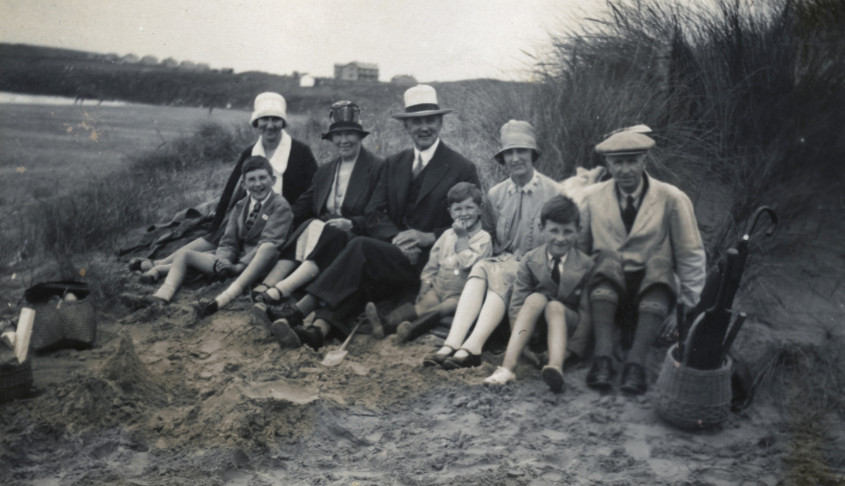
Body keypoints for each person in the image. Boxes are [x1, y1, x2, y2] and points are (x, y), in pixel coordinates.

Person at [253, 84, 479, 350]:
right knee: (359, 267)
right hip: (394, 254)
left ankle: (298, 311)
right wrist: (396, 240)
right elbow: (374, 212)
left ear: (440, 123)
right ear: (406, 127)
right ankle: (315, 332)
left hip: (432, 262)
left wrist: (428, 236)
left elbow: (472, 224)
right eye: (416, 122)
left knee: (359, 247)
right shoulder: (395, 163)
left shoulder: (461, 167)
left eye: (430, 120)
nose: (423, 128)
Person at [129, 92, 317, 282]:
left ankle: (163, 269)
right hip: (249, 214)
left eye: (275, 119)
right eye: (264, 119)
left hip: (282, 219)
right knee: (217, 235)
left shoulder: (301, 152)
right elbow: (230, 191)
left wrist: (289, 216)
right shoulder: (249, 153)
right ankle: (160, 262)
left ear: (283, 122)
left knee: (241, 248)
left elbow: (312, 192)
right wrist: (217, 224)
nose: (269, 125)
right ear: (256, 123)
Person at [424, 120, 566, 369]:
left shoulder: (554, 192)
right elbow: (488, 232)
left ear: (532, 154)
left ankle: (473, 347)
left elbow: (563, 240)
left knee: (505, 271)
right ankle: (451, 343)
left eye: (521, 151)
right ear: (503, 159)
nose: (515, 158)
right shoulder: (496, 194)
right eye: (509, 153)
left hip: (538, 269)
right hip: (503, 263)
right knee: (483, 268)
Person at [580, 127, 706, 395]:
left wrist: (683, 307)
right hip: (607, 292)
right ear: (608, 164)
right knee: (605, 259)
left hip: (652, 295)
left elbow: (690, 254)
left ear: (644, 161)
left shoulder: (672, 198)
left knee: (661, 265)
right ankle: (602, 359)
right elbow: (580, 252)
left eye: (632, 161)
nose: (625, 170)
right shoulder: (591, 198)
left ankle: (635, 364)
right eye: (618, 162)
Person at [250, 100, 384, 305]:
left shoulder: (377, 168)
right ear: (331, 139)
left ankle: (282, 290)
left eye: (349, 134)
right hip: (325, 233)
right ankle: (269, 283)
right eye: (338, 135)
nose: (343, 140)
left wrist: (353, 223)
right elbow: (304, 204)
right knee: (307, 224)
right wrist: (275, 218)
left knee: (330, 232)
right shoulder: (325, 171)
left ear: (360, 137)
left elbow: (381, 213)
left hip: (356, 239)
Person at [121, 156, 293, 312]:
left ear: (273, 180)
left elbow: (270, 242)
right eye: (252, 180)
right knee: (184, 254)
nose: (258, 184)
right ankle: (161, 296)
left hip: (259, 265)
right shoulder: (241, 205)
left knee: (267, 247)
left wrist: (237, 266)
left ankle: (161, 271)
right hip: (233, 260)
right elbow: (228, 241)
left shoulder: (280, 206)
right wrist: (223, 260)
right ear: (244, 185)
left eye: (263, 178)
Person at [483, 195, 595, 393]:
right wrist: (525, 348)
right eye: (554, 231)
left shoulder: (586, 265)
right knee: (535, 298)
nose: (560, 238)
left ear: (577, 232)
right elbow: (517, 305)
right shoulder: (530, 260)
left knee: (555, 307)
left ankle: (556, 366)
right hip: (535, 334)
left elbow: (586, 315)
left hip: (567, 331)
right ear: (542, 230)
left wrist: (571, 351)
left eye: (567, 231)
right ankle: (508, 367)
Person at [364, 182, 493, 343]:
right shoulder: (446, 235)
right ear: (450, 213)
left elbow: (468, 263)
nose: (463, 213)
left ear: (479, 209)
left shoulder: (483, 238)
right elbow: (433, 263)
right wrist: (425, 284)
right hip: (439, 287)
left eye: (469, 208)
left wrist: (462, 238)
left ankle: (411, 331)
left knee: (440, 309)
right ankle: (384, 325)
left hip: (461, 293)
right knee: (422, 305)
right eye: (458, 209)